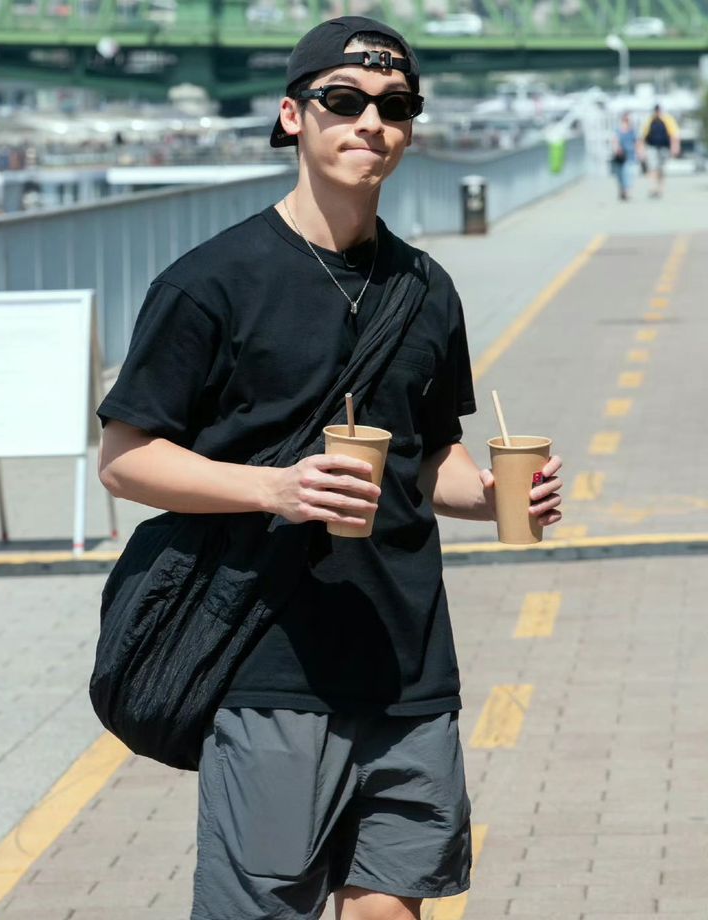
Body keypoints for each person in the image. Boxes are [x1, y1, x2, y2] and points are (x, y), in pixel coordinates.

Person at [97, 16, 563, 920]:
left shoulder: (426, 288)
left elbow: (430, 460)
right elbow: (125, 460)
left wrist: (505, 498)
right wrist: (272, 487)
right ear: (292, 117)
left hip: (408, 661)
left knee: (393, 907)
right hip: (272, 660)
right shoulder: (211, 282)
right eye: (342, 102)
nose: (370, 124)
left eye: (394, 107)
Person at [639, 103, 680, 198]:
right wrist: (641, 150)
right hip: (652, 147)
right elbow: (643, 136)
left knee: (661, 169)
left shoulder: (667, 120)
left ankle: (660, 188)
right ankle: (653, 188)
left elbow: (674, 135)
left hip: (664, 148)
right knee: (653, 167)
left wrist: (675, 147)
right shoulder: (650, 121)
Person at [612, 112, 638, 201]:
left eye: (628, 120)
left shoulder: (633, 131)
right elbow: (615, 141)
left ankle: (627, 192)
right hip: (620, 157)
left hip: (630, 156)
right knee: (620, 175)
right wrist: (616, 149)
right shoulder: (618, 131)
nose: (627, 122)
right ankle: (622, 191)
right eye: (625, 120)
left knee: (628, 174)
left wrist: (640, 153)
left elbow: (637, 142)